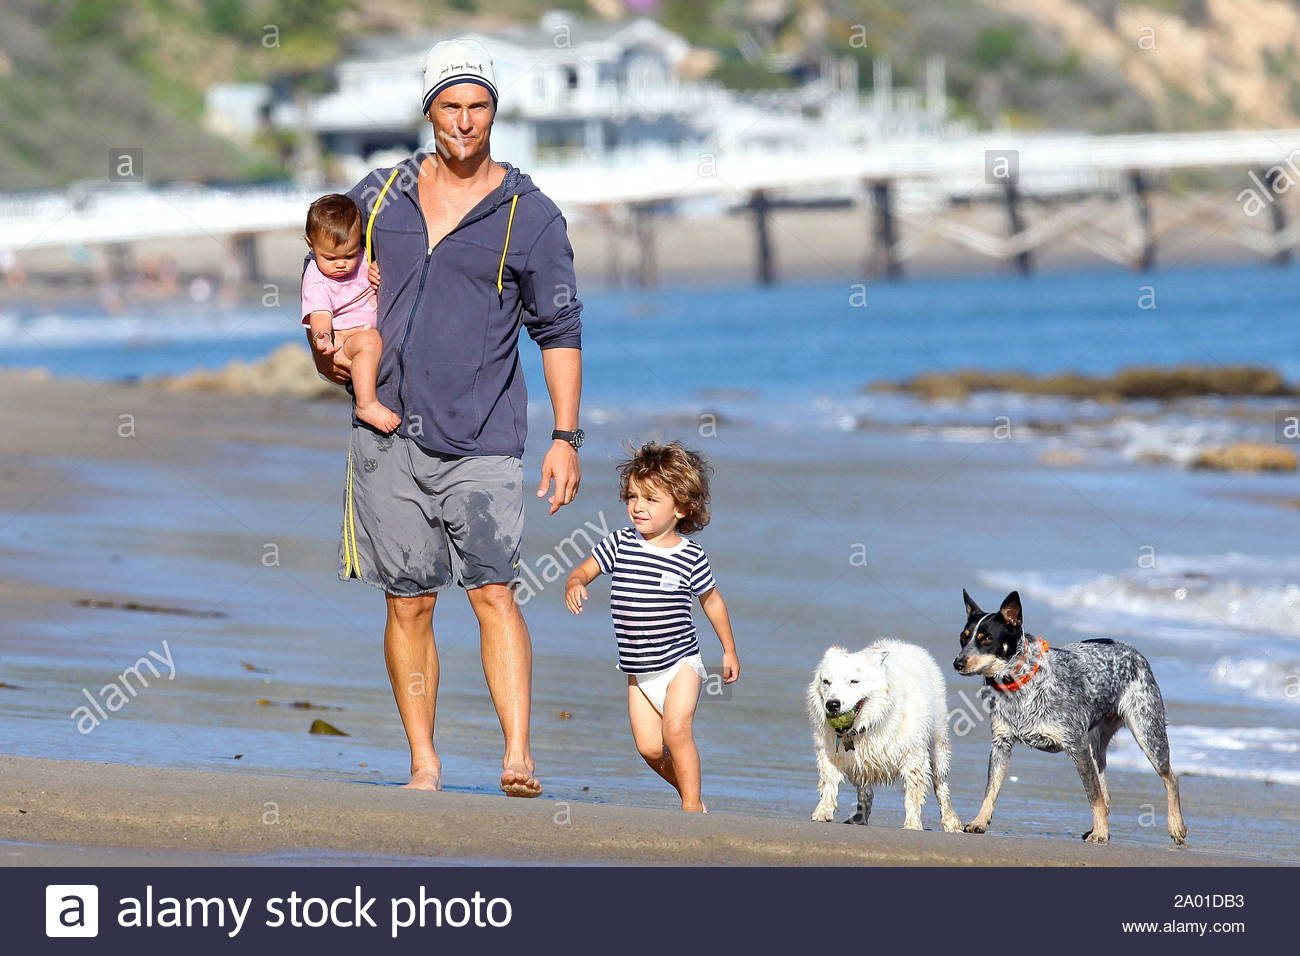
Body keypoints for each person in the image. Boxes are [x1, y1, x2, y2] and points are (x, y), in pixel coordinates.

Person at [308, 37, 584, 797]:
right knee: (409, 601)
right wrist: (322, 351)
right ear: (428, 111)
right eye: (450, 106)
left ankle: (518, 756)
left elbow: (559, 330)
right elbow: (327, 274)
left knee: (493, 591)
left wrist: (564, 437)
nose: (464, 121)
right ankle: (424, 765)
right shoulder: (380, 193)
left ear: (496, 110)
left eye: (478, 106)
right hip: (386, 434)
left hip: (486, 438)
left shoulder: (530, 216)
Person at [564, 441, 740, 812]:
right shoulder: (619, 543)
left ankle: (691, 807)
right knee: (648, 747)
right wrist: (575, 583)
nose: (637, 506)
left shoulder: (690, 556)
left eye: (650, 499)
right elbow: (583, 569)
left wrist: (728, 649)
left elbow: (712, 600)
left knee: (676, 732)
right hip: (637, 669)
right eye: (632, 496)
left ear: (681, 508)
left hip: (680, 663)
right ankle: (690, 793)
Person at [301, 194, 400, 434]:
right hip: (343, 340)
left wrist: (375, 267)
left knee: (370, 342)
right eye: (330, 258)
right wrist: (322, 336)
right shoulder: (317, 279)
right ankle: (366, 405)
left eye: (349, 255)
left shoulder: (362, 258)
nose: (341, 264)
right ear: (310, 245)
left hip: (363, 333)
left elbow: (372, 263)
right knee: (369, 342)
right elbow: (320, 313)